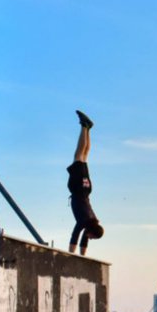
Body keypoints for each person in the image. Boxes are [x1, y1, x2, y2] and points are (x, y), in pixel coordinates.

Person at [67, 109, 104, 255]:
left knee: (84, 156)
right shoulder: (84, 222)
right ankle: (84, 126)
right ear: (92, 231)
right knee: (79, 154)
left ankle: (87, 128)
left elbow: (84, 239)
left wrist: (83, 256)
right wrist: (71, 254)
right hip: (79, 189)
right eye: (92, 237)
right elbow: (75, 235)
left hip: (86, 190)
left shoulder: (92, 220)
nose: (90, 239)